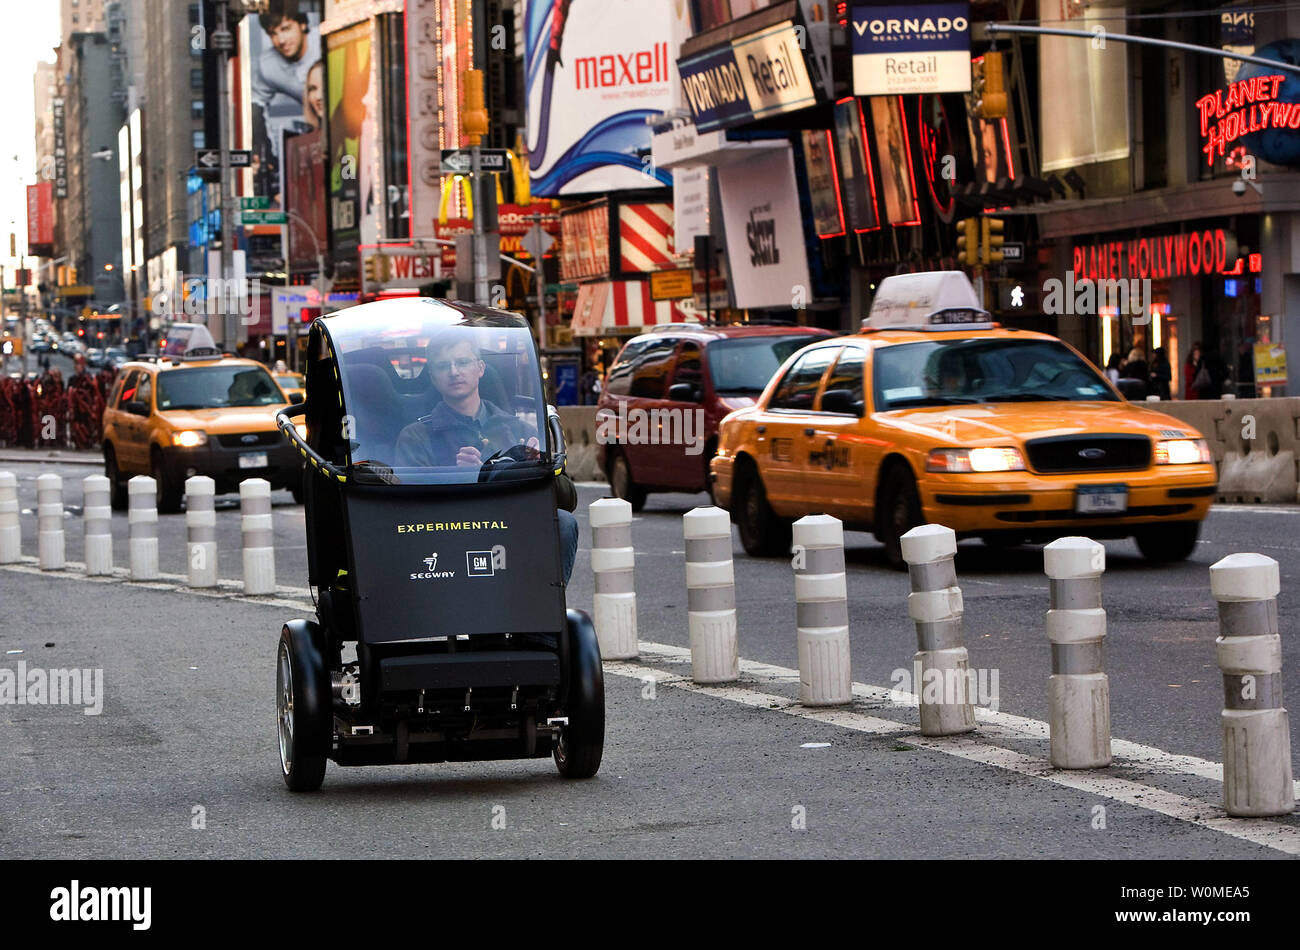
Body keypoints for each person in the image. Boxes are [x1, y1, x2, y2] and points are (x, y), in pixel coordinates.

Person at [394, 330, 579, 585]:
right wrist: (462, 475)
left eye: (462, 362)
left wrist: (540, 468)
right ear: (433, 378)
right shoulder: (416, 435)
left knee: (564, 522)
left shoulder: (519, 429)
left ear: (480, 368)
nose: (454, 372)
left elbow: (568, 499)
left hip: (511, 528)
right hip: (446, 533)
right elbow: (405, 507)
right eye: (443, 366)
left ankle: (544, 609)